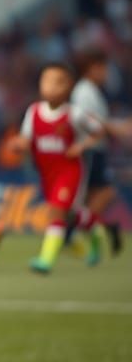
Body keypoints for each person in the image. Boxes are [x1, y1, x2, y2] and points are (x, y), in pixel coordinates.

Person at [9, 63, 104, 274]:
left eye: (58, 82)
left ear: (68, 87)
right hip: (46, 173)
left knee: (56, 212)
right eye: (47, 81)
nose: (51, 87)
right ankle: (95, 232)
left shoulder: (74, 114)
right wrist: (17, 145)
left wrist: (81, 146)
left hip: (70, 171)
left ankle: (46, 260)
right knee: (69, 214)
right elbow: (26, 140)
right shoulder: (33, 112)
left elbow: (99, 131)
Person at [71, 49, 121, 255]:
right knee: (88, 199)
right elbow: (86, 120)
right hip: (89, 151)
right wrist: (112, 129)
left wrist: (114, 127)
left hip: (95, 150)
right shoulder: (84, 91)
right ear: (93, 68)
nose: (107, 73)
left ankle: (94, 234)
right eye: (104, 68)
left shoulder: (91, 90)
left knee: (96, 197)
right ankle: (84, 234)